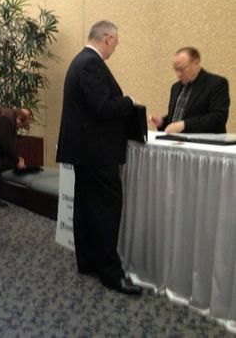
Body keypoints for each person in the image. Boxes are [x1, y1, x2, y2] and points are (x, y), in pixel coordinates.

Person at [56, 20, 142, 295]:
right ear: (107, 37)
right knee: (106, 211)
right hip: (97, 153)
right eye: (116, 42)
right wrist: (128, 101)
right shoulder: (91, 64)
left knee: (85, 207)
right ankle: (111, 273)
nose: (115, 47)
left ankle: (88, 261)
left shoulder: (79, 62)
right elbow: (103, 107)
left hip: (84, 152)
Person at [149, 47, 230, 133]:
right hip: (176, 142)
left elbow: (218, 118)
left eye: (181, 69)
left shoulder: (216, 84)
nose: (178, 75)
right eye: (176, 70)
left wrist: (185, 125)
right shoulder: (176, 87)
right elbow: (179, 118)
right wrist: (162, 122)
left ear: (196, 63)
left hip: (204, 143)